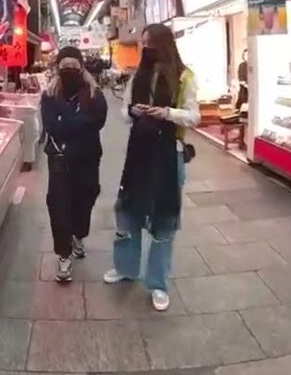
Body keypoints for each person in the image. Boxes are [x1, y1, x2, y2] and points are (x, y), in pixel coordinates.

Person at [105, 23, 198, 311]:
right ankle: (126, 268)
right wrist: (134, 111)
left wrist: (167, 113)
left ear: (164, 44)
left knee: (164, 219)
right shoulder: (139, 75)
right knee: (128, 211)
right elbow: (123, 111)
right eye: (143, 43)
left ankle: (157, 283)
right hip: (139, 153)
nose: (145, 49)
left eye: (149, 43)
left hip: (170, 155)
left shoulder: (184, 77)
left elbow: (194, 116)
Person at [40, 46, 107, 283]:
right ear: (58, 68)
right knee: (58, 205)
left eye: (73, 66)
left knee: (85, 199)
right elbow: (50, 126)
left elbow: (98, 120)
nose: (69, 69)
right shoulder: (49, 94)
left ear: (81, 67)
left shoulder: (94, 93)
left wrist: (66, 122)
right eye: (64, 66)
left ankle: (79, 234)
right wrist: (79, 123)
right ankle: (64, 254)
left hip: (88, 159)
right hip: (59, 159)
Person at [235, 47, 249, 112]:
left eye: (248, 55)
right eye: (245, 55)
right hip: (244, 88)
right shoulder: (242, 65)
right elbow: (241, 78)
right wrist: (246, 85)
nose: (246, 56)